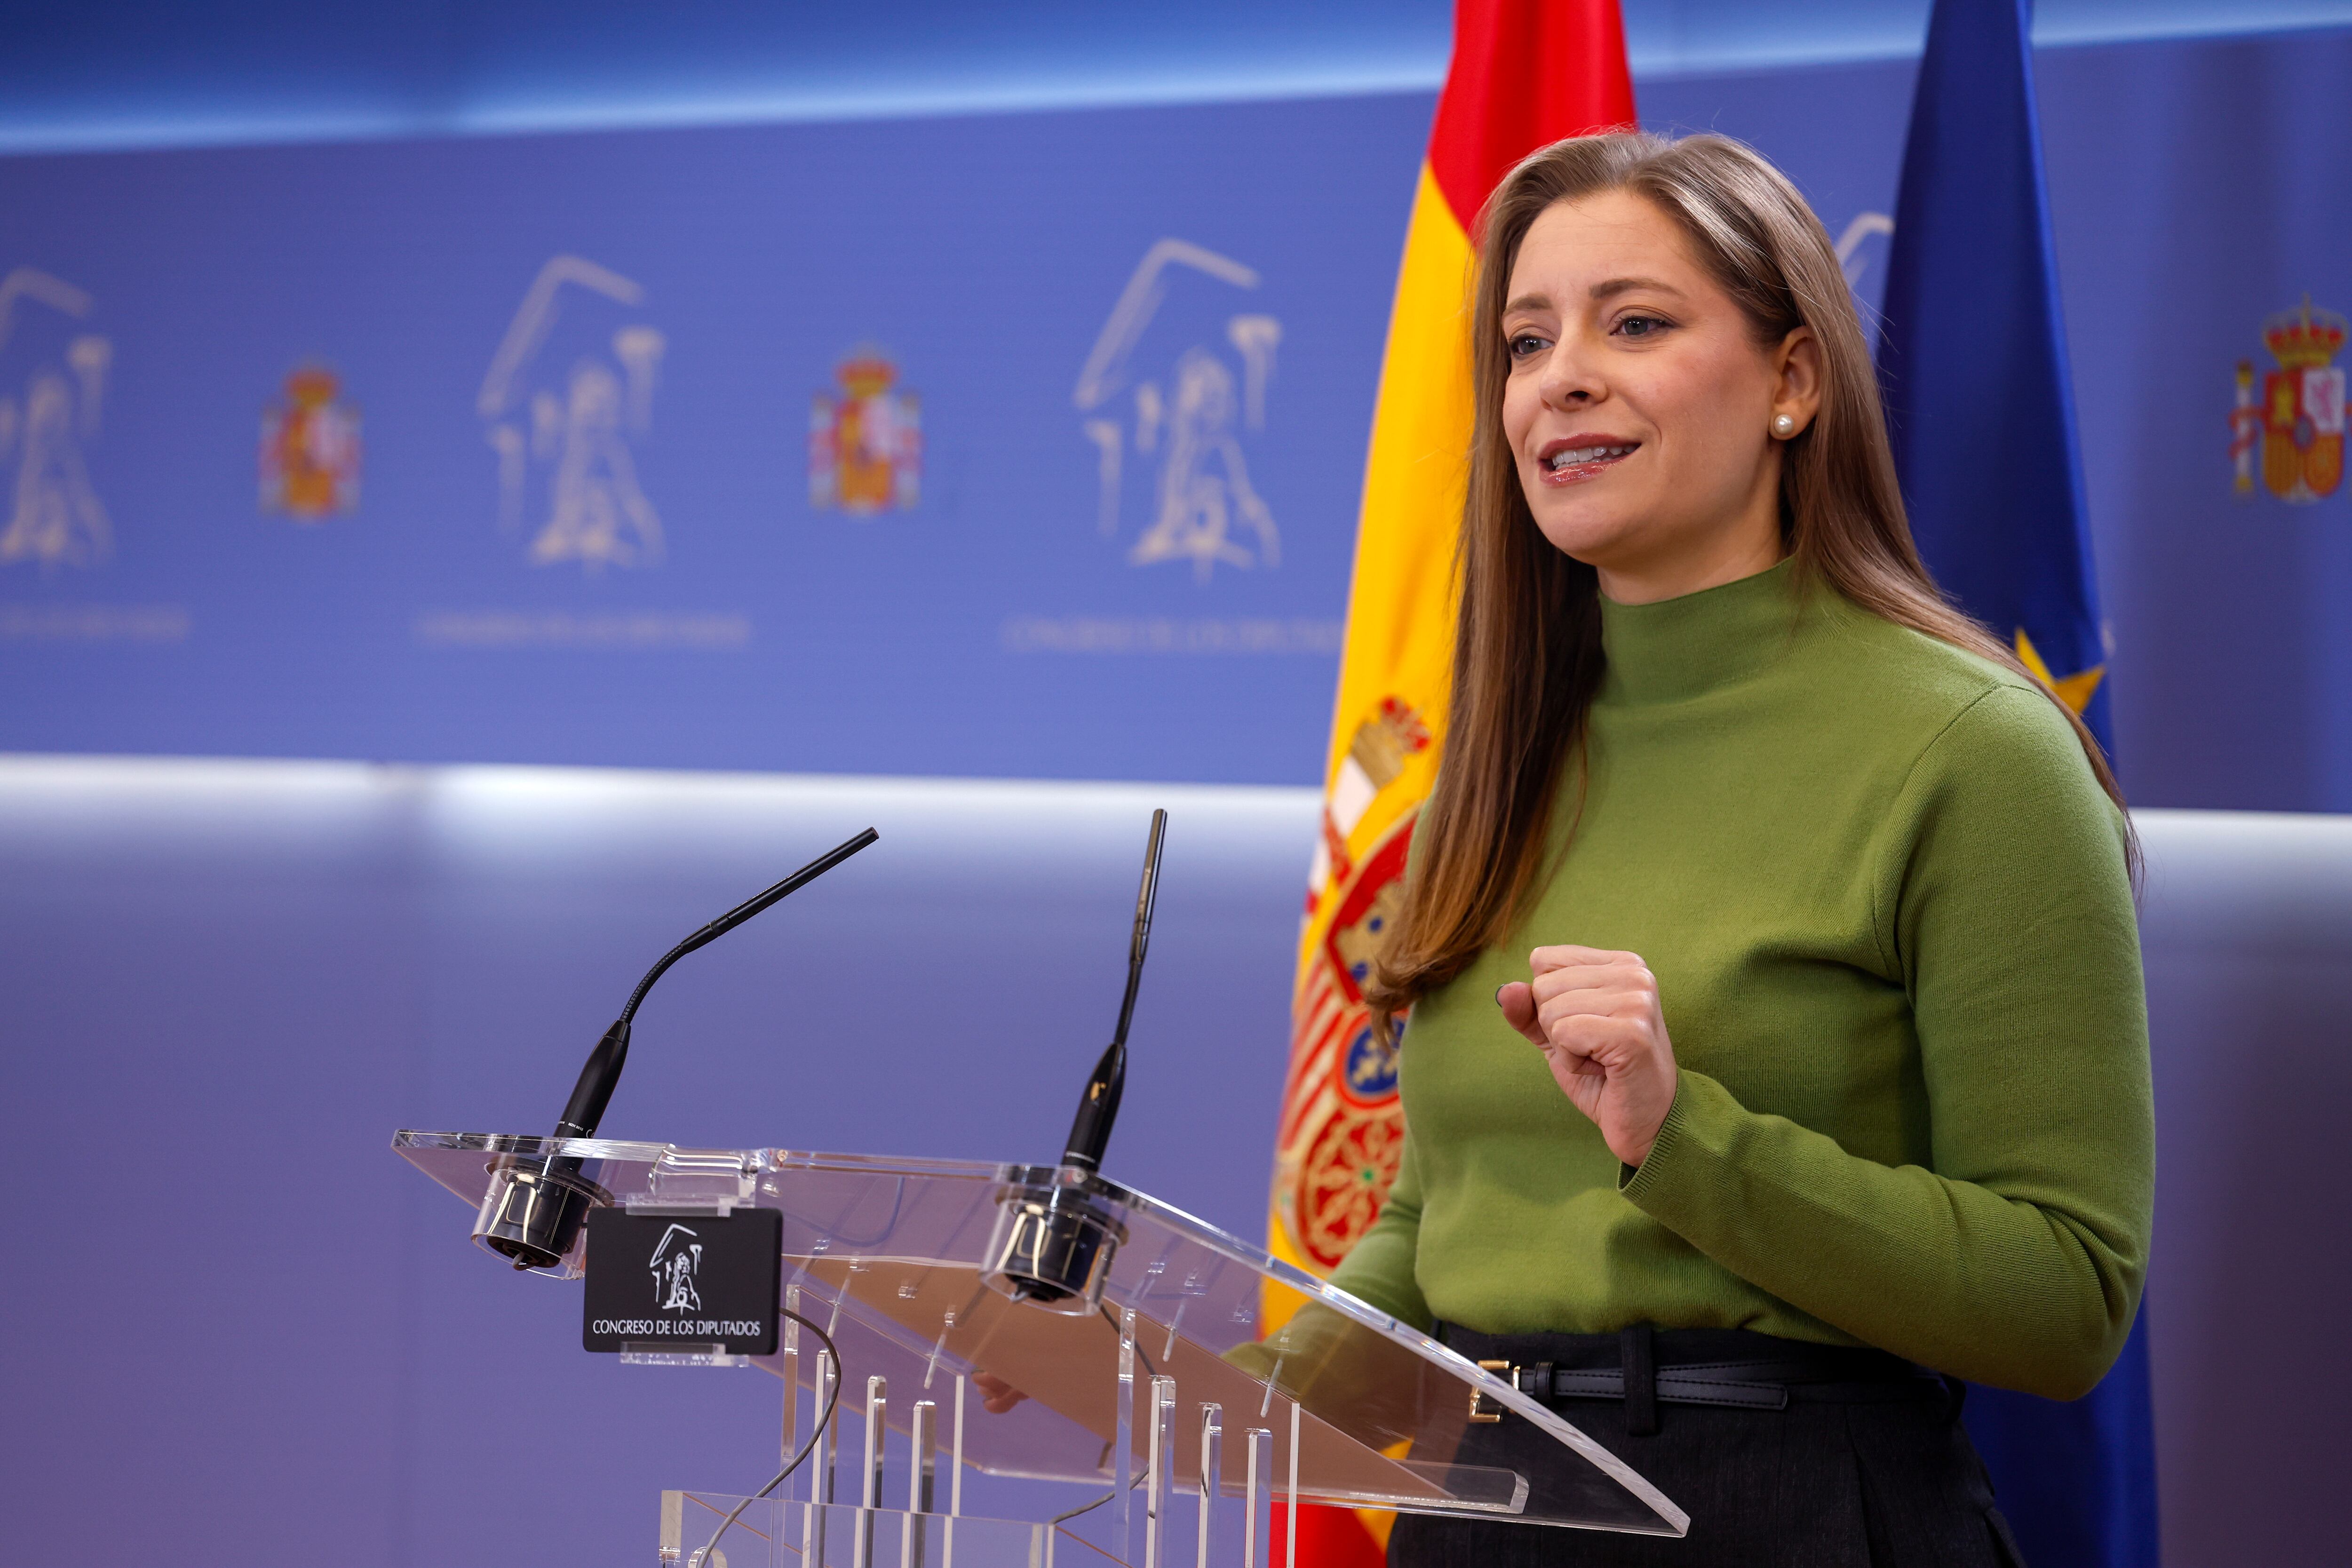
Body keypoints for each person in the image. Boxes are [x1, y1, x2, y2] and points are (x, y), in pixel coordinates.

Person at [1332, 130, 2153, 1567]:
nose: (1561, 376)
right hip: (1480, 1506)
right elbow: (1446, 1211)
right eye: (1526, 342)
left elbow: (2065, 1294)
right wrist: (1170, 1381)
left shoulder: (1976, 749)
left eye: (1634, 323)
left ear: (1793, 380)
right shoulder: (1509, 746)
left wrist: (1682, 1135)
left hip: (1789, 1509)